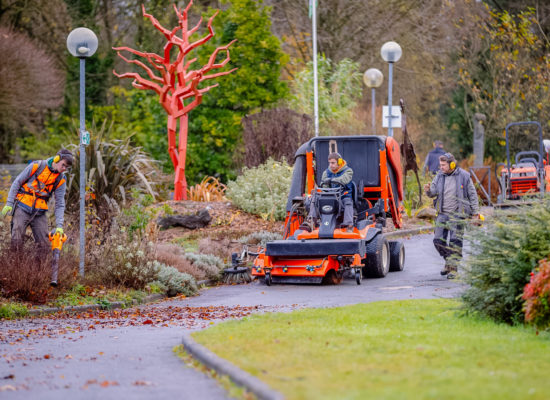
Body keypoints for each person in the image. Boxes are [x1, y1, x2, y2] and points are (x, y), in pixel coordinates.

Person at [1, 149, 73, 256]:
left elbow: (60, 204)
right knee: (16, 240)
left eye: (67, 167)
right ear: (57, 159)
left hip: (39, 212)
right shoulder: (36, 166)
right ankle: (15, 267)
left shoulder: (61, 179)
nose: (64, 169)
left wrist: (59, 225)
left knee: (44, 246)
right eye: (63, 165)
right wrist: (9, 203)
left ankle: (39, 271)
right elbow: (17, 182)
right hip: (22, 207)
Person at [424, 152, 481, 279]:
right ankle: (449, 262)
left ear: (452, 164)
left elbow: (472, 195)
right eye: (440, 165)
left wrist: (475, 213)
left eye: (443, 165)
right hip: (442, 214)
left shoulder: (464, 176)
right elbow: (433, 192)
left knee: (455, 241)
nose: (441, 167)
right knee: (438, 241)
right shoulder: (439, 176)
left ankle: (453, 269)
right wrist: (428, 190)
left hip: (458, 214)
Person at [301, 152, 354, 232]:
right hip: (331, 196)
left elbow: (344, 180)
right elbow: (324, 185)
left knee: (348, 202)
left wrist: (331, 180)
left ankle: (348, 225)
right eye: (329, 163)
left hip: (343, 196)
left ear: (339, 162)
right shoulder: (326, 172)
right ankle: (311, 221)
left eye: (333, 163)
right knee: (315, 197)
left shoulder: (348, 171)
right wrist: (324, 187)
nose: (331, 165)